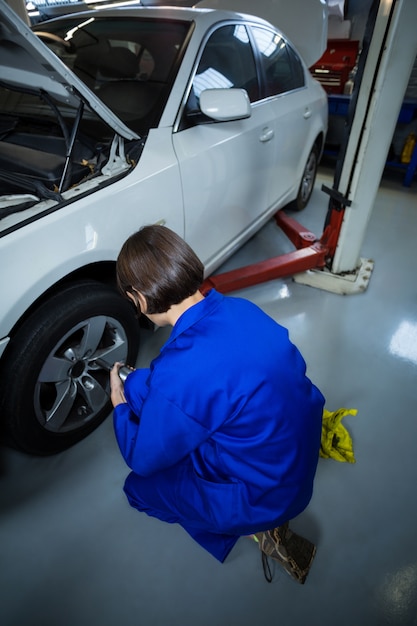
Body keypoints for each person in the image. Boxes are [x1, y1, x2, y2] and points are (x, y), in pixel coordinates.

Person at [110, 224, 325, 584]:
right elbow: (189, 385)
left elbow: (144, 458)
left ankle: (245, 529)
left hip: (261, 496)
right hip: (294, 464)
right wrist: (139, 383)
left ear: (140, 300)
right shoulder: (242, 310)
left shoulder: (179, 372)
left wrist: (119, 404)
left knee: (138, 489)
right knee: (175, 398)